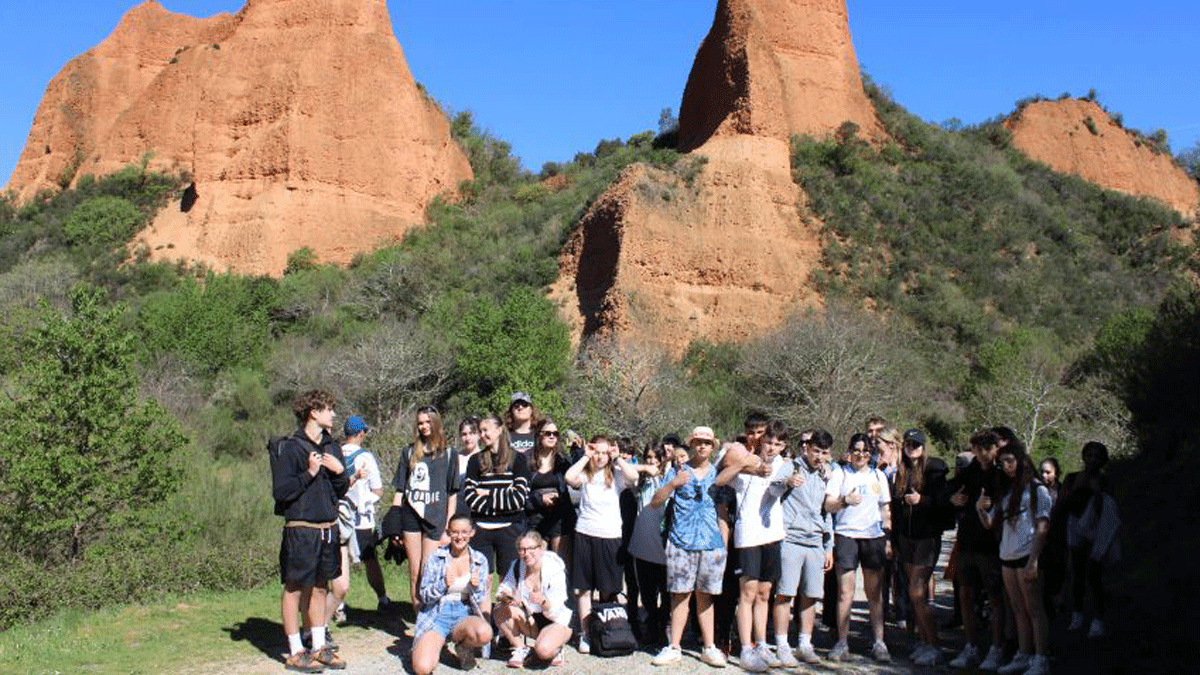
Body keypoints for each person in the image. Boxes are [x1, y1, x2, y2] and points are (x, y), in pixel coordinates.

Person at [272, 390, 350, 672]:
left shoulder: (332, 446)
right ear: (313, 412)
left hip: (328, 527)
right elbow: (281, 492)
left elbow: (341, 491)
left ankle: (318, 647)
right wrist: (309, 473)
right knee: (294, 588)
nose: (333, 414)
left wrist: (341, 472)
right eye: (329, 409)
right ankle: (295, 651)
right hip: (300, 528)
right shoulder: (290, 447)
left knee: (320, 587)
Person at [649, 426, 728, 668]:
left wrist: (723, 545)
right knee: (680, 595)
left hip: (710, 544)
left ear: (712, 447)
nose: (702, 446)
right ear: (691, 444)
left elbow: (723, 512)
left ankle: (709, 646)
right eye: (697, 441)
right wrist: (673, 483)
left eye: (706, 442)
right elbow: (655, 501)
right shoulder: (678, 470)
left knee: (706, 597)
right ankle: (674, 646)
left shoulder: (719, 474)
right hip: (681, 542)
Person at [716, 423, 790, 672]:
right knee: (747, 593)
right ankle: (745, 648)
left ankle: (761, 644)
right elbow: (719, 481)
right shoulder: (748, 462)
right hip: (748, 535)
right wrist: (744, 466)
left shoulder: (784, 464)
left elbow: (781, 486)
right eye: (769, 442)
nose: (772, 447)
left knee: (765, 593)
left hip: (773, 534)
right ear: (761, 441)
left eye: (778, 444)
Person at [977, 441, 1052, 675]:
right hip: (1007, 555)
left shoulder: (1037, 489)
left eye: (1010, 461)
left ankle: (1041, 659)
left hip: (1027, 555)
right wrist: (980, 508)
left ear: (1022, 461)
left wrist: (1034, 561)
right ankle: (1024, 654)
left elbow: (1043, 526)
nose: (1007, 466)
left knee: (1034, 610)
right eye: (1003, 463)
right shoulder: (1007, 492)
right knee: (1018, 609)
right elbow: (990, 523)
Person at [565, 434, 640, 654]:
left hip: (610, 535)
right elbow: (570, 478)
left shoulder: (616, 475)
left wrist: (618, 458)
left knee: (609, 589)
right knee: (584, 588)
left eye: (604, 452)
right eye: (597, 451)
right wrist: (584, 456)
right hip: (585, 532)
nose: (600, 456)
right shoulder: (586, 474)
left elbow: (634, 476)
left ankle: (606, 630)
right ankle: (586, 633)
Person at [825, 433, 892, 662]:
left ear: (871, 454)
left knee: (875, 593)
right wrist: (844, 501)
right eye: (856, 449)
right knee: (845, 592)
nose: (861, 454)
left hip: (873, 536)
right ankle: (842, 642)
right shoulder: (840, 473)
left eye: (865, 450)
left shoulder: (879, 476)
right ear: (850, 451)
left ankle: (879, 642)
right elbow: (829, 504)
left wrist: (888, 537)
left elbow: (885, 509)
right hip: (846, 535)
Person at [946, 430, 1007, 670]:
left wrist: (992, 505)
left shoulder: (1002, 473)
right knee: (965, 595)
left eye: (985, 449)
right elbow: (951, 488)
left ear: (995, 448)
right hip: (967, 540)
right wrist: (953, 498)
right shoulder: (971, 470)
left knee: (995, 598)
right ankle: (970, 647)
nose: (981, 454)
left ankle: (997, 648)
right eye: (976, 449)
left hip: (992, 544)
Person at [775, 428, 834, 665]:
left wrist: (828, 545)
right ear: (807, 448)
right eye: (816, 451)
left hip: (815, 541)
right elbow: (773, 488)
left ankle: (804, 643)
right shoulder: (791, 466)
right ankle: (781, 644)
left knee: (811, 595)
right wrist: (787, 482)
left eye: (824, 452)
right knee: (785, 593)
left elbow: (826, 511)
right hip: (791, 538)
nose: (819, 456)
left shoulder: (826, 474)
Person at [392, 406, 460, 610]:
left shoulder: (449, 454)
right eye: (420, 422)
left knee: (429, 572)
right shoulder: (409, 452)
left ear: (436, 423)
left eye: (427, 422)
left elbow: (452, 493)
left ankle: (431, 617)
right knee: (414, 573)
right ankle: (419, 619)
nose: (423, 426)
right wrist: (394, 524)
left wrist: (449, 525)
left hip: (436, 518)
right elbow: (400, 490)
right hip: (411, 516)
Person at [891, 428, 949, 666]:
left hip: (927, 537)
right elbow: (895, 508)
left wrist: (922, 500)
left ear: (924, 447)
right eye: (908, 444)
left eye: (916, 444)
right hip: (906, 537)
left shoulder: (935, 469)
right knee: (915, 596)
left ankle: (935, 645)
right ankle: (925, 642)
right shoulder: (901, 472)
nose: (911, 448)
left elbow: (944, 503)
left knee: (917, 591)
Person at [410, 514, 493, 675]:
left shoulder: (479, 560)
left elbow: (480, 600)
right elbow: (424, 595)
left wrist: (475, 587)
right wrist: (443, 584)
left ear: (472, 533)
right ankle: (434, 645)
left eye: (464, 532)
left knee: (484, 633)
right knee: (422, 668)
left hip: (464, 614)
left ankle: (463, 646)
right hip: (437, 615)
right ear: (448, 532)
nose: (459, 537)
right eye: (455, 532)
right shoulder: (436, 558)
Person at [462, 414, 531, 589]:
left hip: (510, 528)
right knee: (482, 579)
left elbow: (519, 498)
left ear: (499, 430)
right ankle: (483, 615)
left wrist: (486, 493)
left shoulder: (518, 459)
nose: (482, 435)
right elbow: (470, 497)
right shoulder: (475, 461)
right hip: (481, 529)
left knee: (508, 580)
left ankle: (504, 615)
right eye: (480, 431)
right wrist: (503, 495)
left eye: (486, 430)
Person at [1062, 441, 1119, 638]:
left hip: (1098, 532)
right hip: (1075, 528)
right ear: (1083, 456)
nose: (1092, 459)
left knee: (1095, 575)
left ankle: (1098, 618)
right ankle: (1077, 614)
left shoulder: (1106, 480)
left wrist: (1097, 492)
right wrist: (1076, 489)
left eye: (1097, 456)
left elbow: (1111, 508)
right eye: (1089, 455)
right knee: (1077, 573)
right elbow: (1062, 506)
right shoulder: (1071, 478)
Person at [495, 530, 574, 667]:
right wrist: (508, 597)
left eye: (531, 548)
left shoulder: (554, 568)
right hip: (531, 619)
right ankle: (521, 648)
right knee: (500, 609)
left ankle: (556, 647)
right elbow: (503, 590)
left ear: (541, 548)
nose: (526, 553)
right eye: (522, 549)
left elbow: (558, 605)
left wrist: (543, 601)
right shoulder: (516, 565)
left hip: (555, 620)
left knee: (543, 652)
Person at [336, 416, 390, 618]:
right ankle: (382, 599)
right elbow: (378, 490)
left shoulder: (335, 453)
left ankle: (338, 607)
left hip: (338, 517)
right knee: (370, 559)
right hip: (362, 519)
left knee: (340, 561)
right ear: (361, 434)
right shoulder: (366, 457)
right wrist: (364, 501)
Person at [628, 444, 670, 647]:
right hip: (642, 544)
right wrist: (644, 468)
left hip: (662, 544)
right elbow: (624, 468)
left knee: (667, 591)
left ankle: (664, 627)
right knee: (647, 592)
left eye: (656, 457)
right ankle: (652, 629)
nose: (652, 460)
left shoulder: (669, 478)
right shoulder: (640, 480)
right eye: (648, 457)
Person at [526, 418, 573, 557]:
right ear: (538, 435)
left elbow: (577, 481)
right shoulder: (526, 459)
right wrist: (539, 499)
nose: (552, 436)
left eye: (555, 433)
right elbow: (520, 492)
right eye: (548, 433)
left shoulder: (563, 460)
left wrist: (577, 451)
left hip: (559, 517)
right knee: (536, 563)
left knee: (560, 563)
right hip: (535, 518)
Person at [455, 417, 483, 518]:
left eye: (472, 433)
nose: (468, 438)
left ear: (479, 435)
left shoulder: (485, 457)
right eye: (464, 434)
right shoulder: (455, 458)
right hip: (457, 511)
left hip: (478, 512)